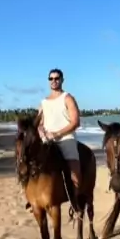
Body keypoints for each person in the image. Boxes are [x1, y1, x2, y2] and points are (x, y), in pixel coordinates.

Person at [36, 69, 82, 214]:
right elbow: (39, 123)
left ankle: (75, 201)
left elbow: (75, 122)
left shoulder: (67, 98)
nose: (54, 81)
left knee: (75, 175)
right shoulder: (43, 102)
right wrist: (42, 133)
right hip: (48, 140)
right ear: (48, 81)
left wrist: (56, 134)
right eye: (51, 78)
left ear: (62, 80)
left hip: (66, 138)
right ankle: (34, 199)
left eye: (57, 78)